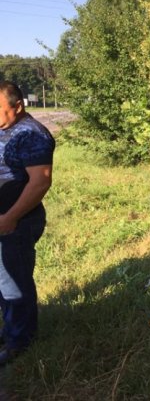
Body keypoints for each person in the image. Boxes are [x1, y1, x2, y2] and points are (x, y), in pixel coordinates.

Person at [0, 81, 55, 365]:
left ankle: (20, 343)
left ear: (18, 105)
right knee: (2, 279)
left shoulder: (32, 134)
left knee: (14, 282)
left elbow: (40, 182)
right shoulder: (5, 127)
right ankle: (10, 330)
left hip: (17, 220)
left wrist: (10, 218)